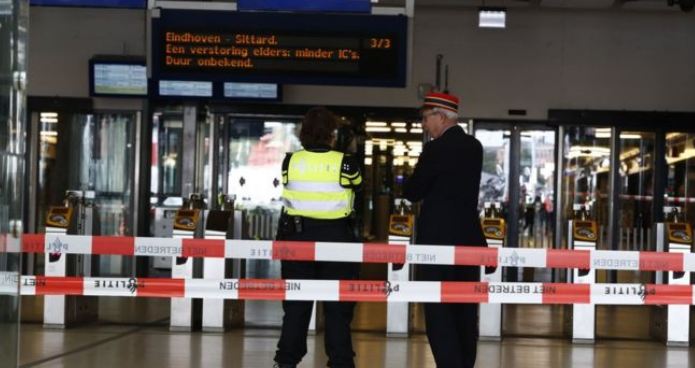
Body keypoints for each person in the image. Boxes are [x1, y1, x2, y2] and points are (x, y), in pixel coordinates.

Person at [273, 107, 362, 368]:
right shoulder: (345, 163)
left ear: (304, 132)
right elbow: (357, 185)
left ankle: (286, 361)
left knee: (296, 308)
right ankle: (341, 362)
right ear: (333, 134)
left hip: (297, 240)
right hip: (337, 242)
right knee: (337, 309)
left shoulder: (290, 161)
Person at [403, 91, 487, 368]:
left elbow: (414, 192)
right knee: (464, 308)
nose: (424, 125)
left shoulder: (435, 149)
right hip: (468, 240)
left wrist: (407, 177)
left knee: (438, 310)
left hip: (437, 241)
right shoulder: (474, 147)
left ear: (440, 116)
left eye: (426, 118)